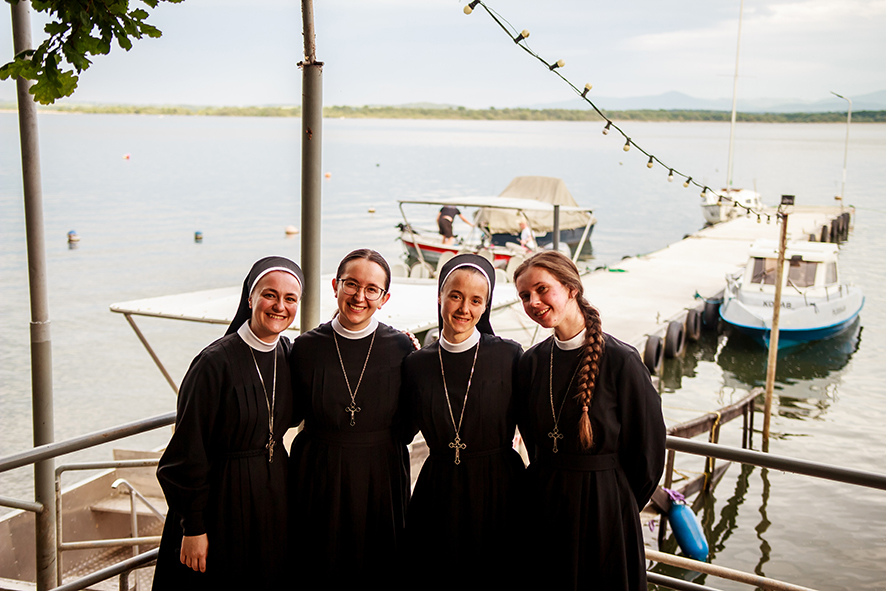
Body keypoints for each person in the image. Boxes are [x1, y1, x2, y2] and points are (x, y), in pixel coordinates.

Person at [513, 251, 666, 591]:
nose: (534, 302)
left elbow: (649, 454)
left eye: (542, 289)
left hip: (605, 510)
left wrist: (617, 503)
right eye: (525, 295)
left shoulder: (622, 361)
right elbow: (533, 439)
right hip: (544, 505)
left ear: (571, 289)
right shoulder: (532, 363)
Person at [153, 256, 303, 590]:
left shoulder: (290, 354)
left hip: (273, 498)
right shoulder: (213, 363)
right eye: (269, 294)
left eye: (290, 298)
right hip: (220, 502)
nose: (280, 306)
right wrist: (192, 527)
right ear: (250, 298)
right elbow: (185, 452)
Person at [288, 249, 416, 588]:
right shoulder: (305, 348)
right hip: (319, 473)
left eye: (371, 289)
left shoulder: (402, 349)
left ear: (384, 297)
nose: (360, 296)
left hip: (381, 474)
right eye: (351, 284)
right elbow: (287, 412)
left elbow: (411, 419)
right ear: (335, 286)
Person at [402, 253, 524, 590]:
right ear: (439, 297)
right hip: (438, 488)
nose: (463, 309)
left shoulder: (509, 356)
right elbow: (399, 428)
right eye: (455, 296)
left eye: (475, 300)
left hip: (499, 486)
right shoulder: (416, 363)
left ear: (485, 306)